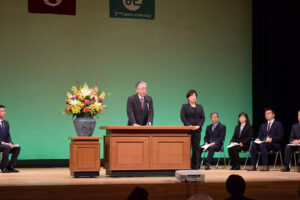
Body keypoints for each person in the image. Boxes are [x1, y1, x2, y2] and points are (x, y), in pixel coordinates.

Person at [180, 90, 205, 170]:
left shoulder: (200, 106)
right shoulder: (184, 106)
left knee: (196, 148)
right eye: (192, 96)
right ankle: (187, 165)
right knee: (187, 148)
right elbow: (183, 117)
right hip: (188, 130)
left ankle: (196, 165)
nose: (194, 97)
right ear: (188, 97)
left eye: (195, 96)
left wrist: (199, 126)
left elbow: (203, 118)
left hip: (197, 130)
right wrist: (189, 125)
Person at [0, 105, 21, 173]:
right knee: (7, 147)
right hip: (1, 144)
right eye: (2, 111)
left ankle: (10, 166)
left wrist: (10, 143)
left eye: (4, 111)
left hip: (5, 145)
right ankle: (3, 167)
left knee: (17, 147)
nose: (4, 112)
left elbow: (8, 135)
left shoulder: (6, 123)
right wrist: (3, 143)